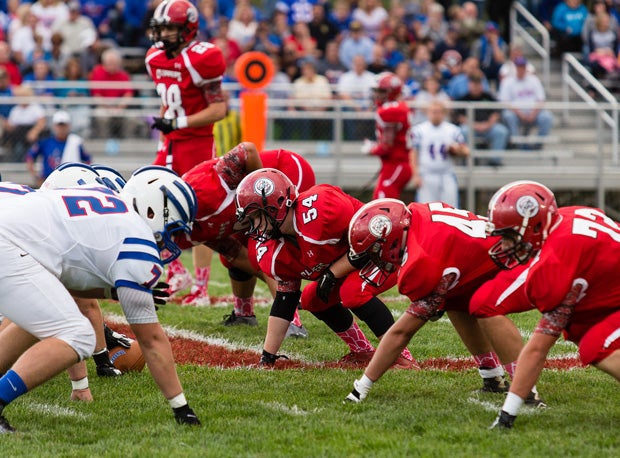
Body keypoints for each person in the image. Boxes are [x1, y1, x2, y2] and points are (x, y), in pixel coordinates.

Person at [0, 166, 201, 433]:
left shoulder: (106, 202)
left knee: (42, 321)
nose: (172, 239)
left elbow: (74, 278)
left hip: (11, 235)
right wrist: (181, 406)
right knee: (78, 334)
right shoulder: (137, 237)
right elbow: (151, 340)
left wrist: (114, 291)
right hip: (10, 245)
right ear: (152, 211)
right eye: (173, 229)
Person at [235, 169, 415, 368]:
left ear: (273, 207)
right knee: (313, 299)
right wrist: (267, 358)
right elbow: (284, 301)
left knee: (352, 292)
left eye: (255, 217)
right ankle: (362, 350)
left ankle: (401, 356)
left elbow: (370, 239)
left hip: (385, 250)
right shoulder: (274, 249)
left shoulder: (321, 208)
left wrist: (332, 273)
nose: (253, 227)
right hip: (350, 264)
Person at [343, 198, 515, 404]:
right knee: (455, 301)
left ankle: (527, 392)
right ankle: (492, 377)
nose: (376, 259)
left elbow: (401, 333)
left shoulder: (421, 261)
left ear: (391, 238)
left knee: (485, 309)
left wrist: (362, 387)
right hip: (495, 252)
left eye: (375, 251)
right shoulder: (416, 214)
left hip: (516, 262)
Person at [485, 181, 620, 429]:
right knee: (578, 327)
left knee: (594, 345)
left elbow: (537, 349)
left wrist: (507, 416)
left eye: (508, 236)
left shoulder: (556, 261)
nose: (503, 246)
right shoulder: (564, 218)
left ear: (532, 226)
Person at [178, 143, 311, 338]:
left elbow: (247, 150)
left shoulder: (209, 189)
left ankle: (291, 320)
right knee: (233, 257)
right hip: (248, 208)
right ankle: (244, 312)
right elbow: (237, 254)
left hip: (283, 171)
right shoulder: (188, 226)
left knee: (268, 247)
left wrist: (262, 198)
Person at [146, 0, 227, 306]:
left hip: (197, 143)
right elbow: (167, 100)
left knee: (200, 214)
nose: (163, 34)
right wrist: (165, 130)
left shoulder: (200, 59)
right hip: (170, 143)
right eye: (161, 27)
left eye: (170, 28)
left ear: (187, 29)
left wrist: (177, 122)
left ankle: (203, 289)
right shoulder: (155, 57)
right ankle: (178, 271)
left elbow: (219, 108)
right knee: (146, 205)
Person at [361, 72, 414, 200]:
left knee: (383, 203)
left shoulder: (390, 110)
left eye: (381, 91)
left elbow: (387, 146)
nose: (377, 94)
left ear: (391, 92)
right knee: (380, 201)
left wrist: (372, 149)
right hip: (394, 164)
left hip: (397, 163)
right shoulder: (395, 107)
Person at [411, 100, 469, 208]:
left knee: (451, 210)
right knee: (426, 210)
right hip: (427, 175)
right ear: (428, 113)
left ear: (443, 113)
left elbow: (466, 151)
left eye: (438, 112)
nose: (435, 115)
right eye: (433, 112)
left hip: (447, 175)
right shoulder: (419, 130)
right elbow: (413, 153)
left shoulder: (453, 130)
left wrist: (456, 149)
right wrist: (415, 175)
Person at [498, 57, 554, 149]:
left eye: (523, 66)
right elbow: (505, 102)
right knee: (508, 115)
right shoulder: (508, 81)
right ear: (515, 68)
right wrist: (521, 114)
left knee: (547, 117)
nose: (521, 69)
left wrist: (533, 114)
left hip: (533, 112)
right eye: (519, 67)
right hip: (516, 113)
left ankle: (537, 145)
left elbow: (541, 99)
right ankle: (517, 144)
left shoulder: (534, 80)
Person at [455, 70, 509, 167]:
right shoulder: (463, 98)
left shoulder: (488, 97)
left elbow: (496, 112)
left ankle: (495, 160)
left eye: (478, 83)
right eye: (473, 84)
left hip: (488, 127)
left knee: (501, 131)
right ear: (469, 85)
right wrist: (475, 125)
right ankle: (470, 159)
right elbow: (460, 117)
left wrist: (488, 124)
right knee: (464, 131)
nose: (476, 86)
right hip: (471, 128)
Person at [25, 111, 91, 187]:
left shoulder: (75, 142)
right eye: (59, 125)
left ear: (69, 126)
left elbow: (88, 161)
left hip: (70, 184)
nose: (61, 128)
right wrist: (37, 177)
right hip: (48, 184)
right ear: (54, 126)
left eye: (64, 125)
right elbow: (29, 157)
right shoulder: (46, 142)